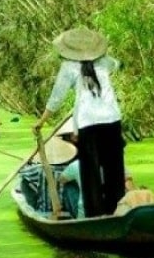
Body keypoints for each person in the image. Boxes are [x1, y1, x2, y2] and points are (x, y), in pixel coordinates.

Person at [32, 26, 125, 217]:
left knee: (90, 173)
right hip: (112, 120)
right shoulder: (104, 62)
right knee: (114, 170)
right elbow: (118, 64)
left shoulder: (68, 67)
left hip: (88, 124)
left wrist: (41, 122)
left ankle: (95, 216)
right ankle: (116, 211)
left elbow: (56, 97)